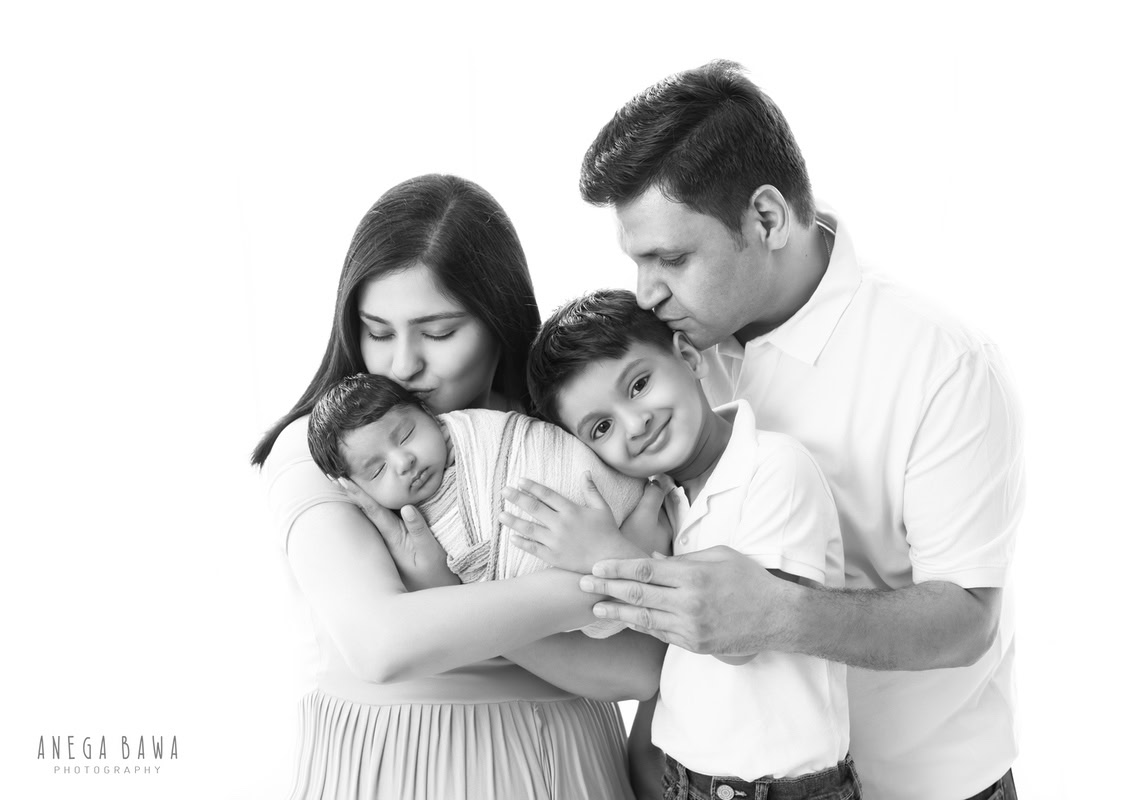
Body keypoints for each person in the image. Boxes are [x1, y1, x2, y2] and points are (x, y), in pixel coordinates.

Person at [569, 62, 1025, 800]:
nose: (648, 290)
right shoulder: (663, 364)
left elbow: (967, 619)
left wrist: (782, 615)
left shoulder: (941, 362)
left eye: (672, 258)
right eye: (637, 260)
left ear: (768, 218)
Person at [250, 174, 664, 800]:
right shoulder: (328, 451)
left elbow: (638, 667)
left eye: (438, 333)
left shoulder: (561, 439)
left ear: (498, 323)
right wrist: (612, 576)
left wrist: (446, 597)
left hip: (576, 769)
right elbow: (380, 642)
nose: (401, 364)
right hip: (400, 767)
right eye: (378, 331)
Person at [502, 288, 860, 799]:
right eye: (601, 427)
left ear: (688, 356)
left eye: (639, 384)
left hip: (788, 789)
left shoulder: (773, 468)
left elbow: (742, 636)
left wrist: (604, 553)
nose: (636, 422)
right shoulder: (657, 506)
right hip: (684, 780)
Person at [305, 372, 658, 637]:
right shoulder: (408, 532)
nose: (404, 462)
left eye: (407, 435)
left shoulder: (481, 435)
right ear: (358, 490)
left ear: (430, 417)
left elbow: (551, 455)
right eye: (378, 469)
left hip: (626, 514)